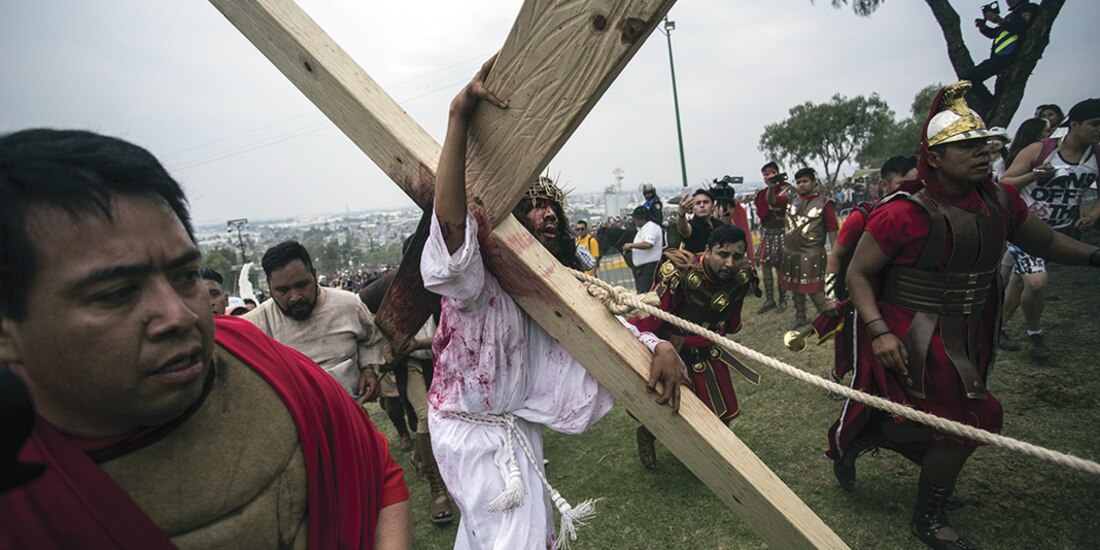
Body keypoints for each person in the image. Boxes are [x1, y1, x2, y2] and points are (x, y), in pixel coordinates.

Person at [0, 129, 410, 548]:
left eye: (185, 276)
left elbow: (377, 475)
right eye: (117, 293)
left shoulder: (258, 361)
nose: (178, 315)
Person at [422, 56, 686, 550]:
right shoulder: (477, 282)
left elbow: (600, 329)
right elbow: (453, 230)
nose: (544, 213)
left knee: (489, 539)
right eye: (530, 205)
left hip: (516, 428)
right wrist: (458, 117)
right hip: (470, 432)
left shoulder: (556, 285)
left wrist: (656, 345)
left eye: (551, 207)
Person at [826, 82, 1100, 550]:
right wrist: (877, 331)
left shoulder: (1001, 201)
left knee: (947, 419)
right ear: (934, 156)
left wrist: (1095, 257)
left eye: (985, 144)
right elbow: (858, 273)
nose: (984, 153)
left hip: (971, 327)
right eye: (966, 146)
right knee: (969, 418)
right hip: (911, 331)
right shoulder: (900, 214)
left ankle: (865, 438)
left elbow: (1049, 243)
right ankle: (927, 515)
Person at [629, 224, 760, 469]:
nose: (730, 263)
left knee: (720, 410)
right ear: (708, 251)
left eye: (737, 256)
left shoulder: (741, 277)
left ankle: (714, 457)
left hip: (709, 350)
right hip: (674, 353)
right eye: (723, 254)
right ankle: (647, 434)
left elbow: (732, 324)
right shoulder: (678, 273)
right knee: (665, 407)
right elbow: (650, 317)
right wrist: (659, 347)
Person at [997, 98, 1100, 359]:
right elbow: (1005, 183)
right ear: (1074, 125)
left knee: (1020, 283)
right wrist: (1034, 175)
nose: (1098, 130)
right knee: (1037, 282)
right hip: (1026, 229)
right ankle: (1035, 335)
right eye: (1094, 124)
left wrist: (1093, 215)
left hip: (1061, 231)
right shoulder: (1039, 150)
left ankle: (996, 328)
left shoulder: (1097, 156)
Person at [360, 270, 455, 526]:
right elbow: (359, 307)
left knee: (452, 420)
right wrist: (384, 344)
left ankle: (422, 456)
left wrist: (415, 343)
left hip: (442, 360)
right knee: (426, 418)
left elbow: (451, 335)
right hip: (410, 364)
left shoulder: (449, 283)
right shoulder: (391, 284)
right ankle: (438, 490)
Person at [245, 241, 386, 400]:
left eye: (302, 285)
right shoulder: (256, 324)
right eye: (283, 290)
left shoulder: (349, 305)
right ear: (269, 288)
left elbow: (370, 338)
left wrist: (368, 369)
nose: (295, 297)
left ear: (313, 275)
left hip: (351, 410)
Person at [822, 155, 917, 384]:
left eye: (918, 186)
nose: (912, 193)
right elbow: (835, 255)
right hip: (857, 294)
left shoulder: (919, 216)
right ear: (884, 186)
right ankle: (839, 376)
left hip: (895, 297)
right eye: (904, 185)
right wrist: (830, 295)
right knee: (849, 340)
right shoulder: (861, 216)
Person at [767, 167, 838, 329]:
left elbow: (832, 228)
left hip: (812, 253)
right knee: (795, 287)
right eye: (798, 182)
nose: (801, 185)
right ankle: (801, 316)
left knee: (816, 290)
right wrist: (771, 187)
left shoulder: (824, 203)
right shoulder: (791, 199)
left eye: (805, 181)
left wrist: (835, 253)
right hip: (791, 252)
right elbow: (771, 201)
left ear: (813, 182)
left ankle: (828, 319)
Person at [964, 0, 1038, 103]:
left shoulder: (1029, 8)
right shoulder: (1011, 16)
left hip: (1009, 57)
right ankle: (992, 105)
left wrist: (999, 20)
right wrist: (983, 27)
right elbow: (994, 33)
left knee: (969, 78)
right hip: (999, 58)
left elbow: (1020, 29)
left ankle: (990, 103)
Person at [754, 162, 793, 313]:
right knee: (765, 265)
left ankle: (783, 300)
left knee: (781, 266)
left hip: (783, 232)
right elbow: (764, 208)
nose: (767, 177)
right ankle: (770, 299)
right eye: (764, 175)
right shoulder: (761, 193)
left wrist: (772, 193)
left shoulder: (787, 188)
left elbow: (777, 201)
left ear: (776, 173)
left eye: (769, 174)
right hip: (768, 233)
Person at [623, 205, 664, 293]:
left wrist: (631, 245)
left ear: (640, 218)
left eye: (634, 218)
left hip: (650, 266)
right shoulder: (643, 228)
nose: (633, 220)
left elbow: (648, 244)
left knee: (645, 293)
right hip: (642, 268)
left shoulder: (651, 227)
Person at [676, 188, 722, 253]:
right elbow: (683, 229)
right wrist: (681, 214)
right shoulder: (692, 225)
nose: (702, 205)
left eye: (706, 202)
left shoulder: (719, 225)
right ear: (693, 208)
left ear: (713, 206)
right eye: (698, 203)